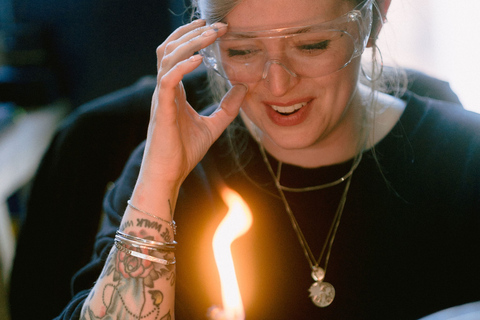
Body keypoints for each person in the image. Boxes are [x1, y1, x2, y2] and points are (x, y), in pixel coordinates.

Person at [56, 0, 480, 319]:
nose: (278, 84)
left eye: (312, 45)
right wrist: (160, 181)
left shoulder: (465, 160)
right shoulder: (169, 177)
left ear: (374, 18)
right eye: (241, 52)